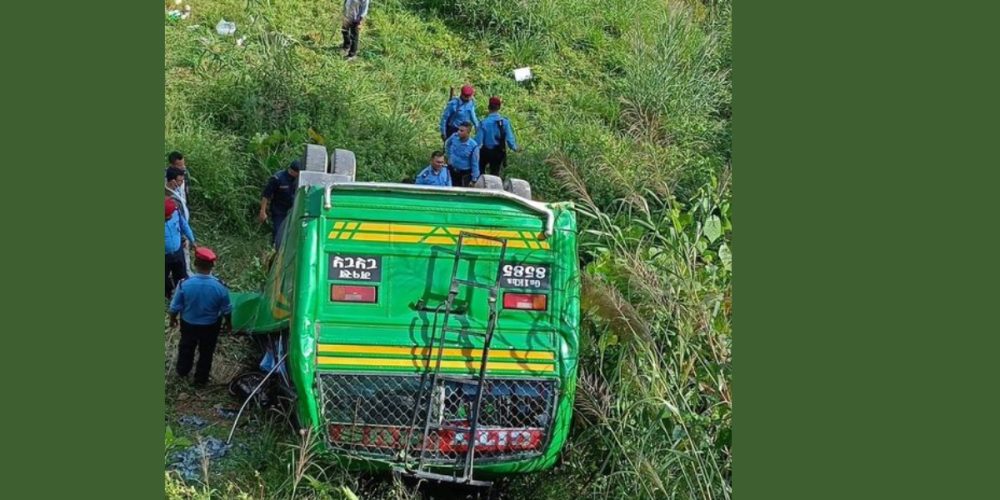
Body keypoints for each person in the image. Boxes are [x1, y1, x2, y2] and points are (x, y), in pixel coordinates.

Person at [169, 247, 233, 388]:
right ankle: (201, 379)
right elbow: (227, 309)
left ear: (195, 264)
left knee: (186, 347)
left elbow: (175, 307)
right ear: (212, 265)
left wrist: (172, 319)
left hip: (188, 323)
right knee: (207, 351)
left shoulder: (184, 284)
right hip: (210, 325)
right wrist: (229, 324)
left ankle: (183, 371)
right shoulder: (220, 287)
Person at [259, 159, 301, 249]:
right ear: (292, 171)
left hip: (293, 210)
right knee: (279, 234)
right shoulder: (278, 178)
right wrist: (263, 211)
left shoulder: (299, 179)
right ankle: (275, 252)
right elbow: (266, 195)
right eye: (298, 173)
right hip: (279, 211)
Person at [476, 96, 520, 177]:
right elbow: (510, 139)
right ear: (499, 107)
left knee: (480, 171)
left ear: (488, 107)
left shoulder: (483, 123)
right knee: (495, 173)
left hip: (485, 151)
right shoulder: (505, 122)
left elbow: (478, 142)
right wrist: (515, 148)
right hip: (498, 152)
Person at [165, 197, 196, 300]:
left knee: (181, 275)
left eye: (170, 215)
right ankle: (168, 294)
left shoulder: (176, 213)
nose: (169, 217)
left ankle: (182, 294)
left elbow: (184, 226)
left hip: (178, 251)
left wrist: (192, 241)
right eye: (166, 215)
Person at [444, 122, 481, 187]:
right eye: (458, 129)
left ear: (468, 132)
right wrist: (449, 156)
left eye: (461, 131)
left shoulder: (473, 146)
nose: (458, 132)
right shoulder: (454, 137)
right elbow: (447, 144)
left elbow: (475, 164)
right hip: (452, 170)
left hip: (464, 174)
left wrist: (474, 180)